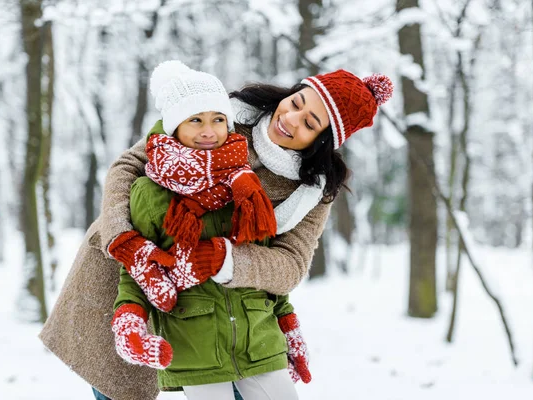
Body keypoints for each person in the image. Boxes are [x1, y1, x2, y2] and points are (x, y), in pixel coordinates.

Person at [39, 64, 393, 400]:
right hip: (130, 271)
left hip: (220, 306)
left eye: (309, 122)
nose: (289, 119)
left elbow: (291, 263)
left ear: (322, 140)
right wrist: (123, 239)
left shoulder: (311, 190)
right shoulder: (218, 114)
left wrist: (227, 260)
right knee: (120, 383)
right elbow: (131, 163)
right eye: (295, 102)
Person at [109, 60, 309, 400]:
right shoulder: (149, 192)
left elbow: (263, 259)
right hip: (195, 343)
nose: (209, 130)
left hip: (260, 338)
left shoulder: (247, 184)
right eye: (195, 120)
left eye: (218, 119)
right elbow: (140, 268)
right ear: (174, 127)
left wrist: (288, 325)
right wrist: (129, 319)